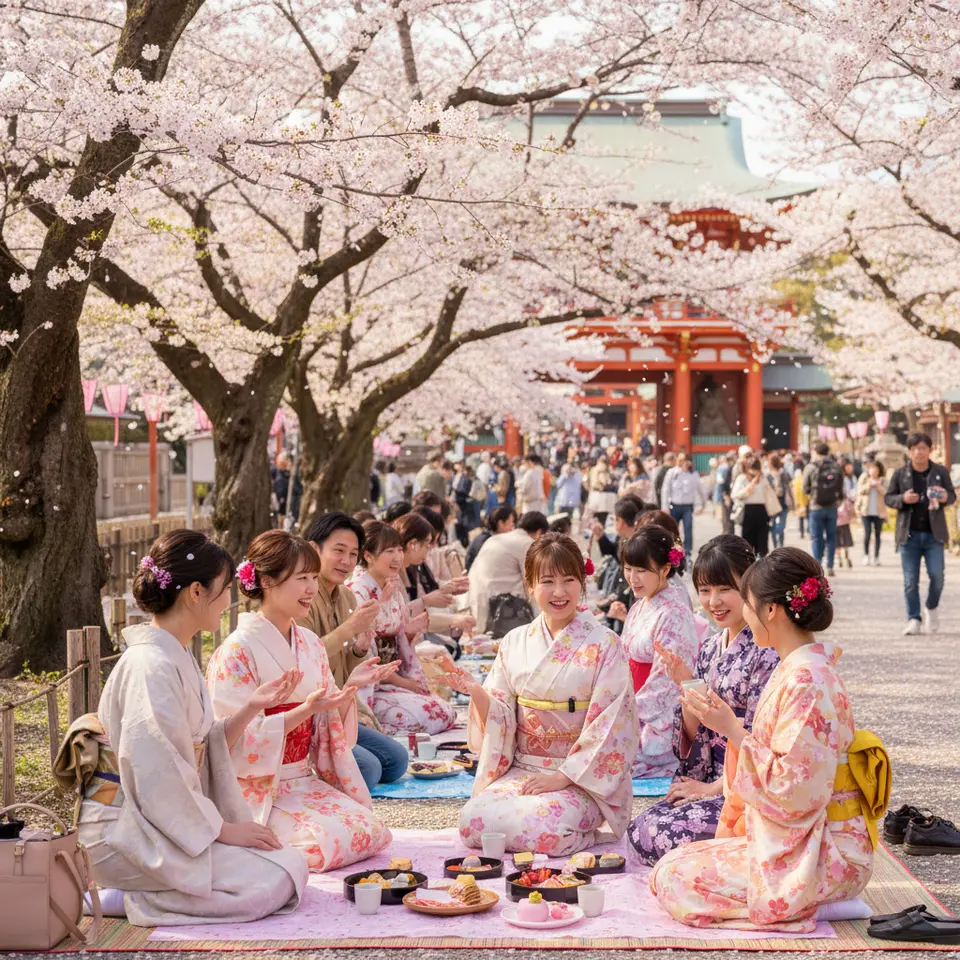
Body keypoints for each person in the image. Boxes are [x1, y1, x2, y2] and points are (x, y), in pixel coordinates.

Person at [70, 530, 308, 926]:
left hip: (162, 821)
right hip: (126, 830)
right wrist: (222, 830)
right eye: (225, 589)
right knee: (271, 882)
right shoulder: (151, 665)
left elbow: (203, 745)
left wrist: (252, 707)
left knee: (288, 863)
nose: (230, 600)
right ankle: (122, 896)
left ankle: (148, 889)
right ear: (196, 592)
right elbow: (158, 775)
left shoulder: (172, 653)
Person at [651, 547, 886, 933]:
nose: (745, 613)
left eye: (747, 603)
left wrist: (732, 730)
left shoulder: (808, 681)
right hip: (799, 837)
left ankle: (816, 904)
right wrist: (726, 725)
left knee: (677, 880)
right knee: (671, 864)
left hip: (827, 851)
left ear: (771, 610)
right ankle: (804, 901)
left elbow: (793, 790)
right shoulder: (798, 669)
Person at [207, 530, 392, 872]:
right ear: (266, 581)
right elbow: (227, 738)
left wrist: (349, 688)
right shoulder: (236, 650)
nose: (311, 588)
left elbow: (327, 721)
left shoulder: (309, 642)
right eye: (301, 578)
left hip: (302, 779)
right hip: (259, 787)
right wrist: (304, 710)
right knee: (324, 844)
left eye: (313, 578)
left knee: (371, 830)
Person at [444, 533, 639, 855]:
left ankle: (586, 834)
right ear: (530, 585)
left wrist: (562, 777)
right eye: (547, 581)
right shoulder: (515, 641)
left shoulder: (605, 643)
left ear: (582, 583)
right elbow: (501, 714)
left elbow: (613, 725)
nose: (559, 592)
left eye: (568, 580)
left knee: (546, 827)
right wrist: (475, 691)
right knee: (472, 821)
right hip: (525, 768)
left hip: (581, 776)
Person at [628, 536, 779, 865]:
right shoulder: (711, 646)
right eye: (705, 590)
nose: (714, 601)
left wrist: (712, 789)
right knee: (640, 827)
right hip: (715, 775)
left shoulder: (767, 651)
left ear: (750, 585)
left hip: (748, 790)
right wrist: (688, 690)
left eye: (725, 589)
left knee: (657, 834)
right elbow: (701, 734)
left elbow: (764, 740)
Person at [299, 513, 409, 790]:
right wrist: (349, 629)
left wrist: (359, 648)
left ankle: (334, 756)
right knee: (369, 770)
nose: (346, 561)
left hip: (336, 707)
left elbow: (344, 671)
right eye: (338, 551)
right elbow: (306, 659)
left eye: (352, 554)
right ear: (314, 549)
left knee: (396, 760)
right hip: (307, 712)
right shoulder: (302, 596)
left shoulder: (345, 595)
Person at [347, 520, 458, 734]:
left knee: (444, 710)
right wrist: (404, 683)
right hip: (368, 686)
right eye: (389, 551)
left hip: (390, 679)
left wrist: (408, 632)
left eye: (399, 549)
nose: (398, 557)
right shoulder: (357, 590)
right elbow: (363, 656)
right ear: (368, 556)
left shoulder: (391, 584)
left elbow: (398, 640)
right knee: (428, 715)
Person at [619, 526, 700, 778]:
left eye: (642, 570)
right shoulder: (639, 607)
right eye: (628, 569)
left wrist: (626, 711)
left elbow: (665, 682)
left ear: (665, 569)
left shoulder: (675, 613)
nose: (633, 578)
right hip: (629, 700)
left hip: (654, 718)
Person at [885, 433, 957, 635]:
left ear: (929, 450)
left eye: (923, 448)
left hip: (934, 534)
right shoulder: (901, 473)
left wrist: (945, 497)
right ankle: (914, 618)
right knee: (910, 581)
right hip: (909, 535)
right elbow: (889, 498)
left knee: (937, 576)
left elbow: (952, 495)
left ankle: (931, 607)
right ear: (910, 451)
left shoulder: (940, 471)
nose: (919, 452)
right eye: (915, 448)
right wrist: (903, 498)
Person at [468, 511, 550, 634]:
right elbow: (532, 584)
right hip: (501, 611)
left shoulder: (495, 538)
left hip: (475, 602)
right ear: (539, 532)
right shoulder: (527, 543)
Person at [592, 495, 647, 634]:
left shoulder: (639, 544)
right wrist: (601, 537)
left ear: (621, 521)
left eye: (615, 519)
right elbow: (614, 554)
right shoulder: (623, 538)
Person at [803, 443, 844, 576]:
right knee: (831, 537)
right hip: (832, 507)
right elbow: (840, 488)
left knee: (816, 537)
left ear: (815, 452)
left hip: (816, 507)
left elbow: (805, 488)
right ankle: (830, 565)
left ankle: (818, 566)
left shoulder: (810, 467)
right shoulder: (836, 466)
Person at [660, 452, 704, 557]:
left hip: (687, 506)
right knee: (673, 530)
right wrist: (664, 506)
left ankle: (688, 553)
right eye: (680, 460)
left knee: (688, 529)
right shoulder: (672, 473)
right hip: (674, 506)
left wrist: (703, 504)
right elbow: (665, 489)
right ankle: (675, 552)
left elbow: (700, 490)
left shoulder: (693, 474)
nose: (683, 462)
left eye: (685, 460)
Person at [732, 457, 771, 558]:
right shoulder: (742, 478)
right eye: (752, 467)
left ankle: (761, 564)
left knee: (762, 545)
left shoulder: (763, 478)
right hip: (748, 511)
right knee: (748, 544)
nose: (754, 470)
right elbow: (736, 494)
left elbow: (769, 494)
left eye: (756, 467)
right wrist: (752, 483)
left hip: (762, 511)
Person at [856, 460, 888, 566]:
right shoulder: (864, 478)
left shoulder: (883, 480)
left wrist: (878, 486)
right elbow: (859, 491)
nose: (874, 472)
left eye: (876, 471)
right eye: (872, 470)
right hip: (866, 511)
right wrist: (868, 485)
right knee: (867, 533)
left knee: (878, 535)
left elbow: (887, 493)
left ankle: (876, 557)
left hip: (879, 512)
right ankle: (866, 555)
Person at [465, 505, 516, 571]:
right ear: (501, 523)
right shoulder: (485, 542)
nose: (512, 529)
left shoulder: (489, 538)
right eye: (511, 524)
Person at [766, 454, 794, 549]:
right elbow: (790, 488)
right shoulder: (785, 474)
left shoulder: (767, 476)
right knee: (781, 527)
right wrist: (793, 501)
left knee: (773, 527)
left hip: (772, 505)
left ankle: (776, 546)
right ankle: (780, 545)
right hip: (783, 504)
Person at [835, 458, 857, 568]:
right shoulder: (841, 478)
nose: (850, 468)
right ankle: (839, 558)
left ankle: (846, 557)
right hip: (839, 510)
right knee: (838, 536)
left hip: (846, 510)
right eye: (848, 466)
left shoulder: (852, 478)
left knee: (845, 535)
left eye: (851, 465)